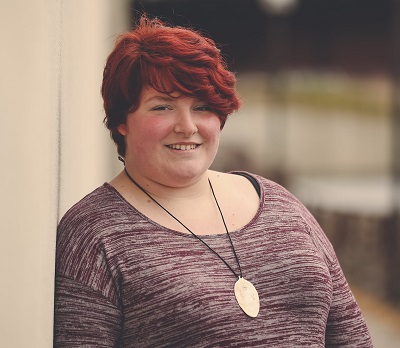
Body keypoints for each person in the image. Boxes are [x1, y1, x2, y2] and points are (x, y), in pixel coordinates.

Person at [53, 15, 373, 347]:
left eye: (202, 107)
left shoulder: (280, 204)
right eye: (162, 107)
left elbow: (352, 336)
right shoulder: (93, 234)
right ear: (122, 120)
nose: (187, 126)